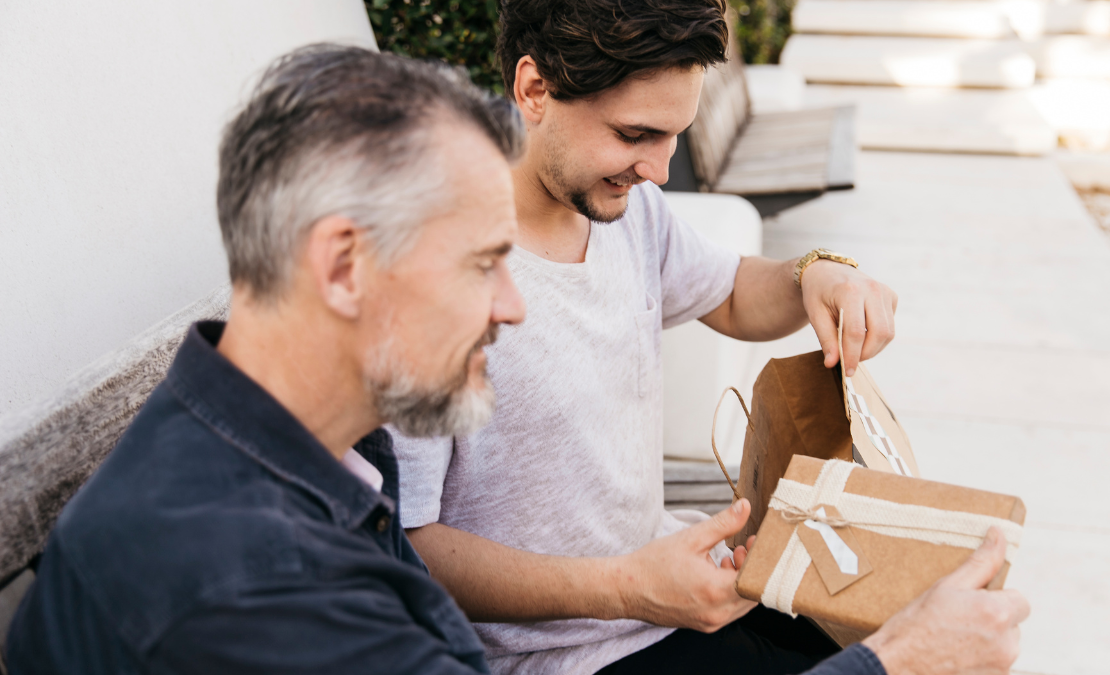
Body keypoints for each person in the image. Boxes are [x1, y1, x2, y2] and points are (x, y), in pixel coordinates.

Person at [6, 44, 1027, 675]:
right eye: (484, 265)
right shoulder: (245, 585)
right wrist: (894, 664)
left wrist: (816, 273)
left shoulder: (295, 448)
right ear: (344, 265)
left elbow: (728, 287)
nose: (514, 306)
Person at [391, 1, 1028, 674]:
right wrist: (628, 585)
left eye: (675, 136)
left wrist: (816, 274)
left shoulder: (625, 208)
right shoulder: (427, 268)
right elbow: (409, 547)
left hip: (675, 598)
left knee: (952, 623)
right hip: (568, 655)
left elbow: (727, 290)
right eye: (636, 134)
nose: (660, 170)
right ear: (534, 88)